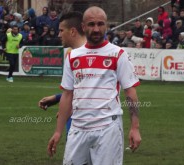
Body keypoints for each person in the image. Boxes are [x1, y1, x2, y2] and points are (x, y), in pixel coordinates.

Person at [47, 6, 141, 165]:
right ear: (83, 27)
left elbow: (130, 92)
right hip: (78, 128)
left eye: (100, 24)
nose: (96, 29)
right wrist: (58, 131)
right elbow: (68, 95)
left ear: (106, 26)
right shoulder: (73, 56)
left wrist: (135, 127)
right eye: (91, 24)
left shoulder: (118, 54)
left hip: (108, 128)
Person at [38, 11, 86, 136]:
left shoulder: (89, 56)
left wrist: (67, 107)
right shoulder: (71, 55)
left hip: (85, 123)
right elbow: (79, 89)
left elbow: (93, 91)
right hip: (75, 119)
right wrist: (58, 99)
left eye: (61, 30)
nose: (59, 35)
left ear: (72, 31)